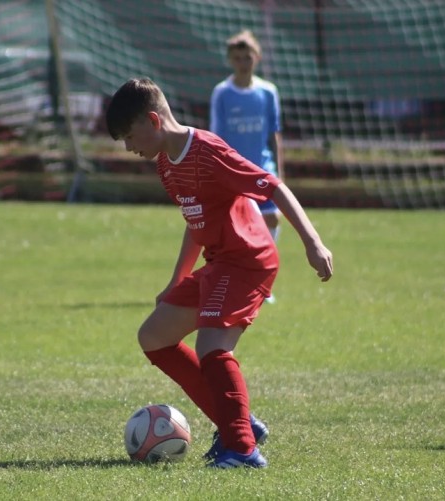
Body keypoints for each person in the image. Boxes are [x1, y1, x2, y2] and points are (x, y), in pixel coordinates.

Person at [106, 77, 333, 468]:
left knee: (212, 347)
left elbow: (273, 187)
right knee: (154, 336)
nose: (129, 148)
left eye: (130, 136)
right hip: (219, 262)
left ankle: (243, 449)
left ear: (153, 121)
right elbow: (196, 222)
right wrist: (177, 280)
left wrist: (313, 243)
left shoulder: (208, 151)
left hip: (247, 260)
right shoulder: (165, 163)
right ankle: (238, 423)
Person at [210, 30, 284, 303]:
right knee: (234, 229)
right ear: (230, 60)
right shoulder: (222, 93)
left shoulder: (268, 92)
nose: (243, 62)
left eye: (248, 57)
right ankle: (232, 280)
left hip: (263, 168)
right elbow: (216, 136)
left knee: (272, 219)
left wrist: (280, 173)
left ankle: (263, 282)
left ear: (257, 58)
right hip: (234, 173)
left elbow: (274, 134)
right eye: (238, 58)